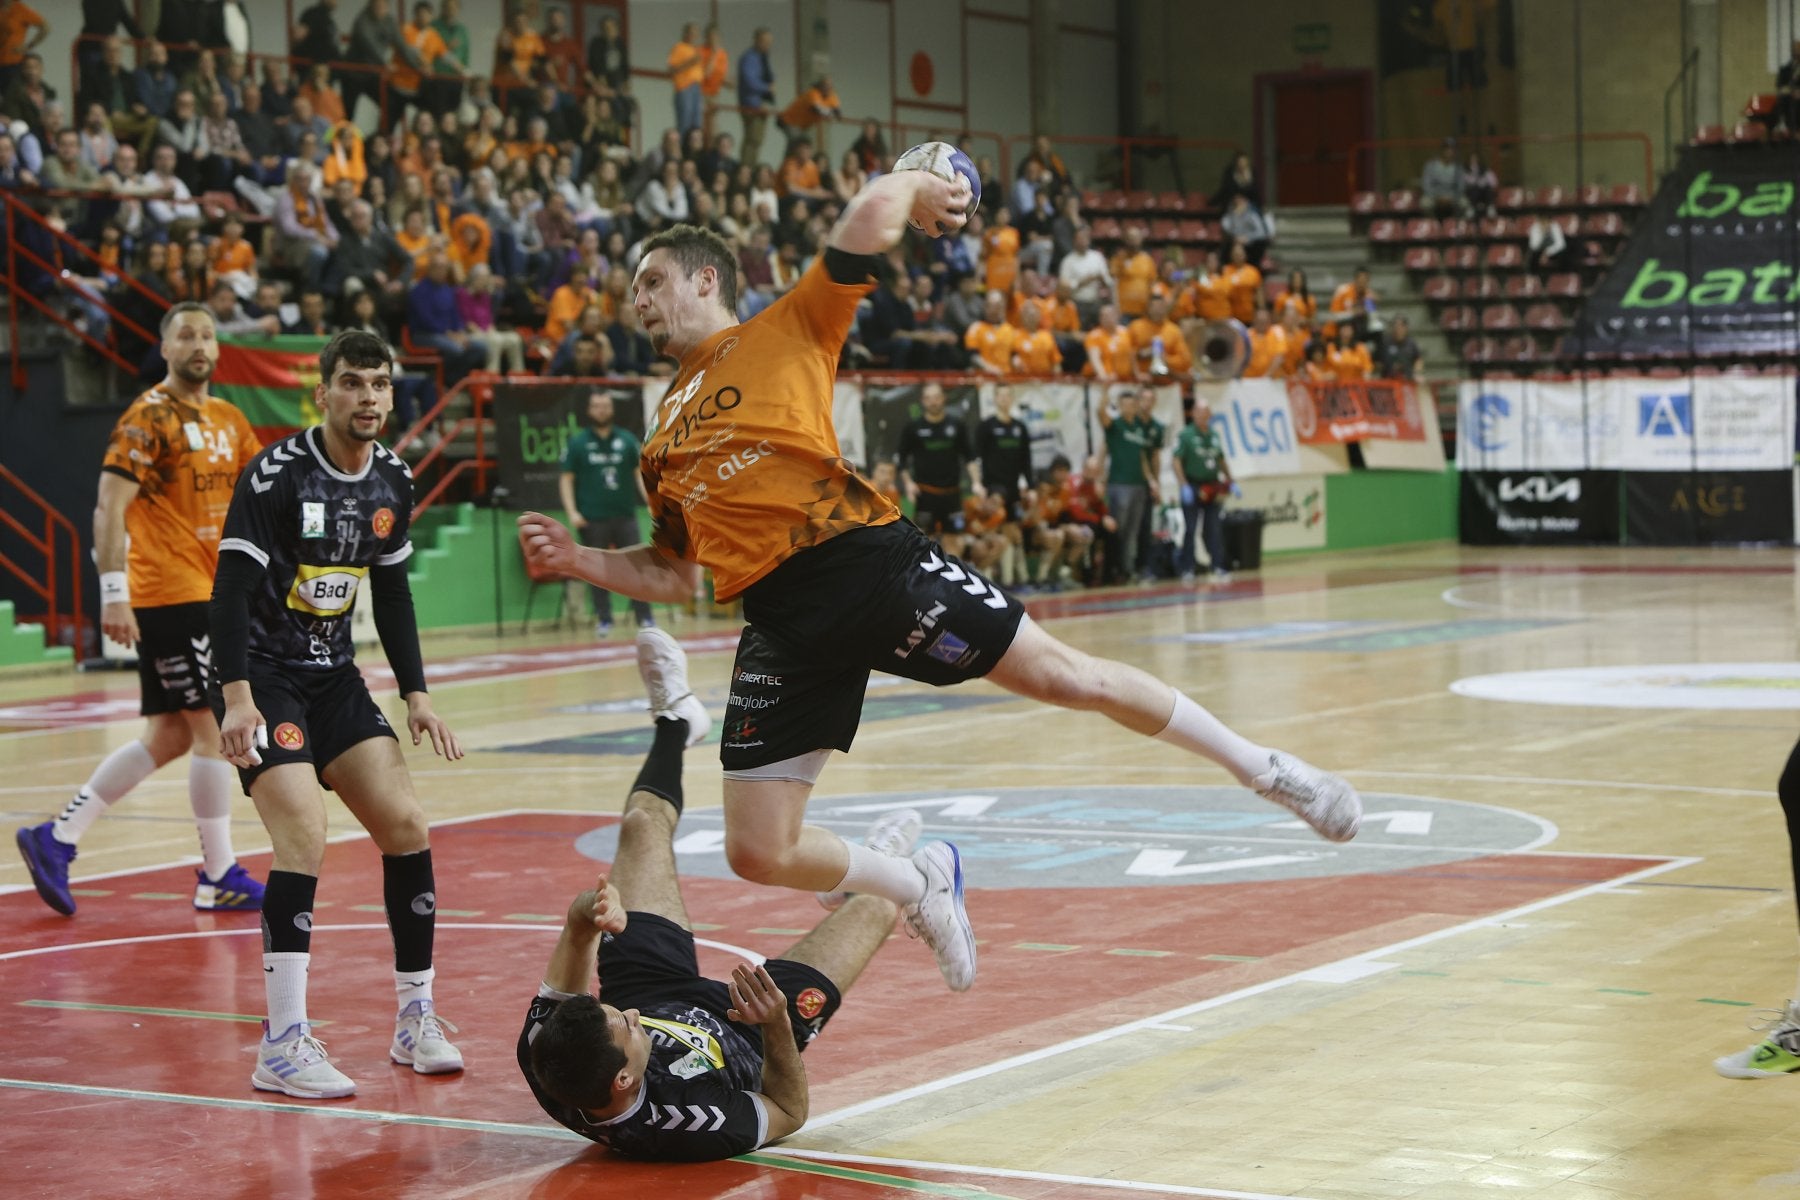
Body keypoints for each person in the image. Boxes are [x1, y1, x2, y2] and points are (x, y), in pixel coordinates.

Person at [516, 194, 1364, 994]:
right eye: (632, 290)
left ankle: (1268, 771)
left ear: (707, 279)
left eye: (653, 281)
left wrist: (918, 178)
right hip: (780, 622)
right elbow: (671, 569)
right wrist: (580, 558)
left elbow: (860, 224)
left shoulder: (786, 328)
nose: (639, 301)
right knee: (756, 850)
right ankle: (918, 883)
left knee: (1071, 678)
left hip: (870, 566)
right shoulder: (659, 435)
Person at [519, 632, 918, 1160]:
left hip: (655, 984)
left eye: (616, 1013)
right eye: (625, 1027)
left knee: (642, 826)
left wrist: (585, 919)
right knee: (880, 904)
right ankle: (870, 869)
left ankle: (676, 720)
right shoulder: (692, 1121)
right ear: (623, 1080)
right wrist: (775, 1023)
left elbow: (572, 966)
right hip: (748, 1031)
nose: (630, 1016)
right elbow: (790, 1113)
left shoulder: (547, 1051)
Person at [210, 329, 466, 1099]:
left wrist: (415, 692)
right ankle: (282, 1044)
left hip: (334, 677)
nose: (369, 399)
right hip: (264, 677)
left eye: (381, 385)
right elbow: (227, 589)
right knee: (304, 834)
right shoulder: (277, 476)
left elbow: (390, 590)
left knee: (406, 826)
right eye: (353, 384)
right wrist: (234, 696)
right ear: (321, 392)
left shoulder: (393, 477)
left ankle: (414, 1018)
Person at [14, 302, 266, 917]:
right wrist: (112, 591)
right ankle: (217, 874)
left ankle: (57, 837)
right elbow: (108, 506)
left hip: (210, 589)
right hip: (169, 591)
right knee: (213, 728)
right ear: (165, 347)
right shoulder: (146, 416)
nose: (199, 343)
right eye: (186, 334)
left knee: (172, 733)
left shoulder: (232, 420)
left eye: (208, 334)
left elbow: (261, 500)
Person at [559, 390, 653, 636]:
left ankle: (645, 618)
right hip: (592, 518)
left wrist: (652, 501)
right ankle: (605, 619)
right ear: (590, 411)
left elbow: (638, 474)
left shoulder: (626, 440)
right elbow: (566, 479)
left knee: (635, 566)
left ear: (612, 410)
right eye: (597, 406)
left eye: (605, 406)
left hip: (625, 514)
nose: (601, 410)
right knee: (597, 572)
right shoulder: (578, 443)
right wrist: (572, 512)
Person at [897, 381, 977, 555]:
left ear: (943, 399)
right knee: (925, 542)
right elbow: (901, 461)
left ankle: (954, 581)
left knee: (954, 541)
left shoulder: (957, 425)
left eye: (936, 397)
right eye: (928, 398)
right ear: (923, 401)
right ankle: (929, 581)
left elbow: (970, 457)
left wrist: (977, 482)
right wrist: (909, 484)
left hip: (952, 494)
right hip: (926, 494)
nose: (933, 402)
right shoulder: (913, 428)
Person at [1098, 386, 1163, 583]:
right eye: (1125, 404)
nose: (1129, 408)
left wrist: (1151, 480)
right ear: (1119, 406)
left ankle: (1128, 569)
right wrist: (1105, 391)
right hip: (1119, 484)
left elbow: (1143, 457)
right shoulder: (1115, 426)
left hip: (1139, 485)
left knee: (1133, 531)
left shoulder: (1140, 428)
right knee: (1119, 528)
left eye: (1132, 404)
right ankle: (1115, 569)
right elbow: (1100, 413)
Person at [1171, 399, 1231, 582]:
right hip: (1193, 485)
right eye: (1199, 412)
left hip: (1212, 486)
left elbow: (1220, 459)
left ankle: (1217, 565)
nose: (1203, 416)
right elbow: (1176, 461)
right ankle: (1187, 568)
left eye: (1206, 413)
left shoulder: (1214, 435)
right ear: (1193, 414)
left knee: (1213, 527)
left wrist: (1230, 480)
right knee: (1190, 528)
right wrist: (1184, 485)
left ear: (1210, 415)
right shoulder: (1186, 435)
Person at [736, 27, 775, 168]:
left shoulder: (763, 58)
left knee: (757, 140)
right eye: (765, 41)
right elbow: (749, 80)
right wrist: (766, 88)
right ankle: (746, 168)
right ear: (757, 40)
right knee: (752, 139)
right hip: (751, 104)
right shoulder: (749, 58)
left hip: (761, 104)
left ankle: (750, 166)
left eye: (769, 42)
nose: (767, 45)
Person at [667, 21, 704, 137]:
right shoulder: (679, 47)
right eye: (691, 33)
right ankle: (682, 150)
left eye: (696, 33)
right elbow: (672, 69)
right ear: (685, 33)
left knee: (696, 124)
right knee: (685, 123)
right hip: (684, 88)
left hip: (696, 88)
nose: (693, 36)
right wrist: (690, 62)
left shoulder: (695, 49)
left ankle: (693, 152)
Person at [1420, 139, 1462, 217]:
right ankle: (1431, 225)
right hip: (1434, 196)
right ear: (1442, 150)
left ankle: (1456, 226)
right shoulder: (1431, 165)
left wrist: (1450, 198)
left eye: (1452, 149)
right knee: (1425, 203)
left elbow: (1461, 187)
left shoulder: (1458, 167)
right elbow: (1426, 185)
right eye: (1447, 148)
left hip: (1452, 197)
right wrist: (1437, 198)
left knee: (1464, 203)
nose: (1449, 151)